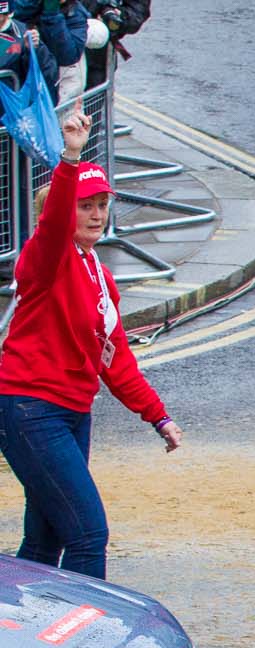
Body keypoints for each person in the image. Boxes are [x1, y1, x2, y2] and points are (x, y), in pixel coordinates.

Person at [0, 107, 180, 579]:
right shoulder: (46, 257)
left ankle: (18, 633)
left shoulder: (98, 273)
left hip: (72, 413)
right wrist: (71, 156)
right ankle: (88, 645)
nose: (97, 214)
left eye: (102, 204)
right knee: (87, 532)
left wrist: (157, 416)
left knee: (48, 536)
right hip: (31, 410)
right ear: (61, 213)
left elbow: (116, 358)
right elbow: (56, 220)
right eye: (86, 205)